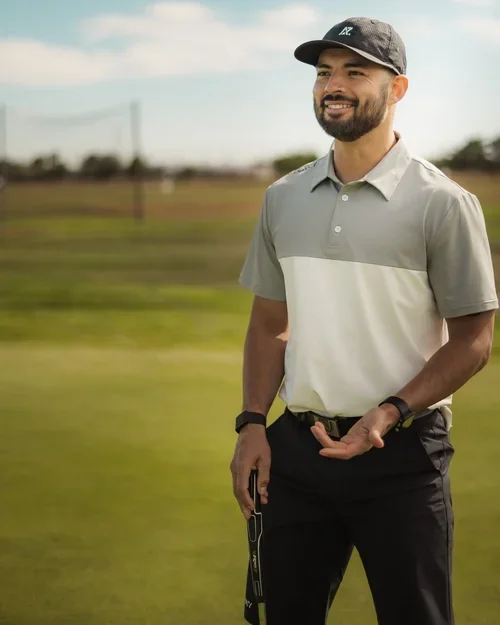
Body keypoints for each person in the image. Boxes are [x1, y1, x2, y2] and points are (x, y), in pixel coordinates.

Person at [230, 16, 498, 625]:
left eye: (355, 71)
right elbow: (270, 324)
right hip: (298, 453)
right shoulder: (283, 197)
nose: (334, 85)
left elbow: (475, 341)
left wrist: (390, 411)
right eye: (324, 73)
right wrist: (251, 424)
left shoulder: (444, 203)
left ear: (397, 89)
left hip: (402, 458)